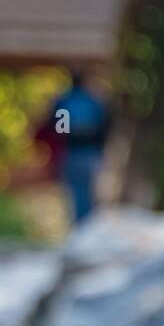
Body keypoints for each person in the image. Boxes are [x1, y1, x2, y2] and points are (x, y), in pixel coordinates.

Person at [45, 69, 110, 223]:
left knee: (73, 195)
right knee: (91, 195)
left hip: (71, 154)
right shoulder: (94, 102)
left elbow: (59, 130)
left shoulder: (64, 101)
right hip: (91, 154)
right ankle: (89, 229)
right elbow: (105, 127)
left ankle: (78, 227)